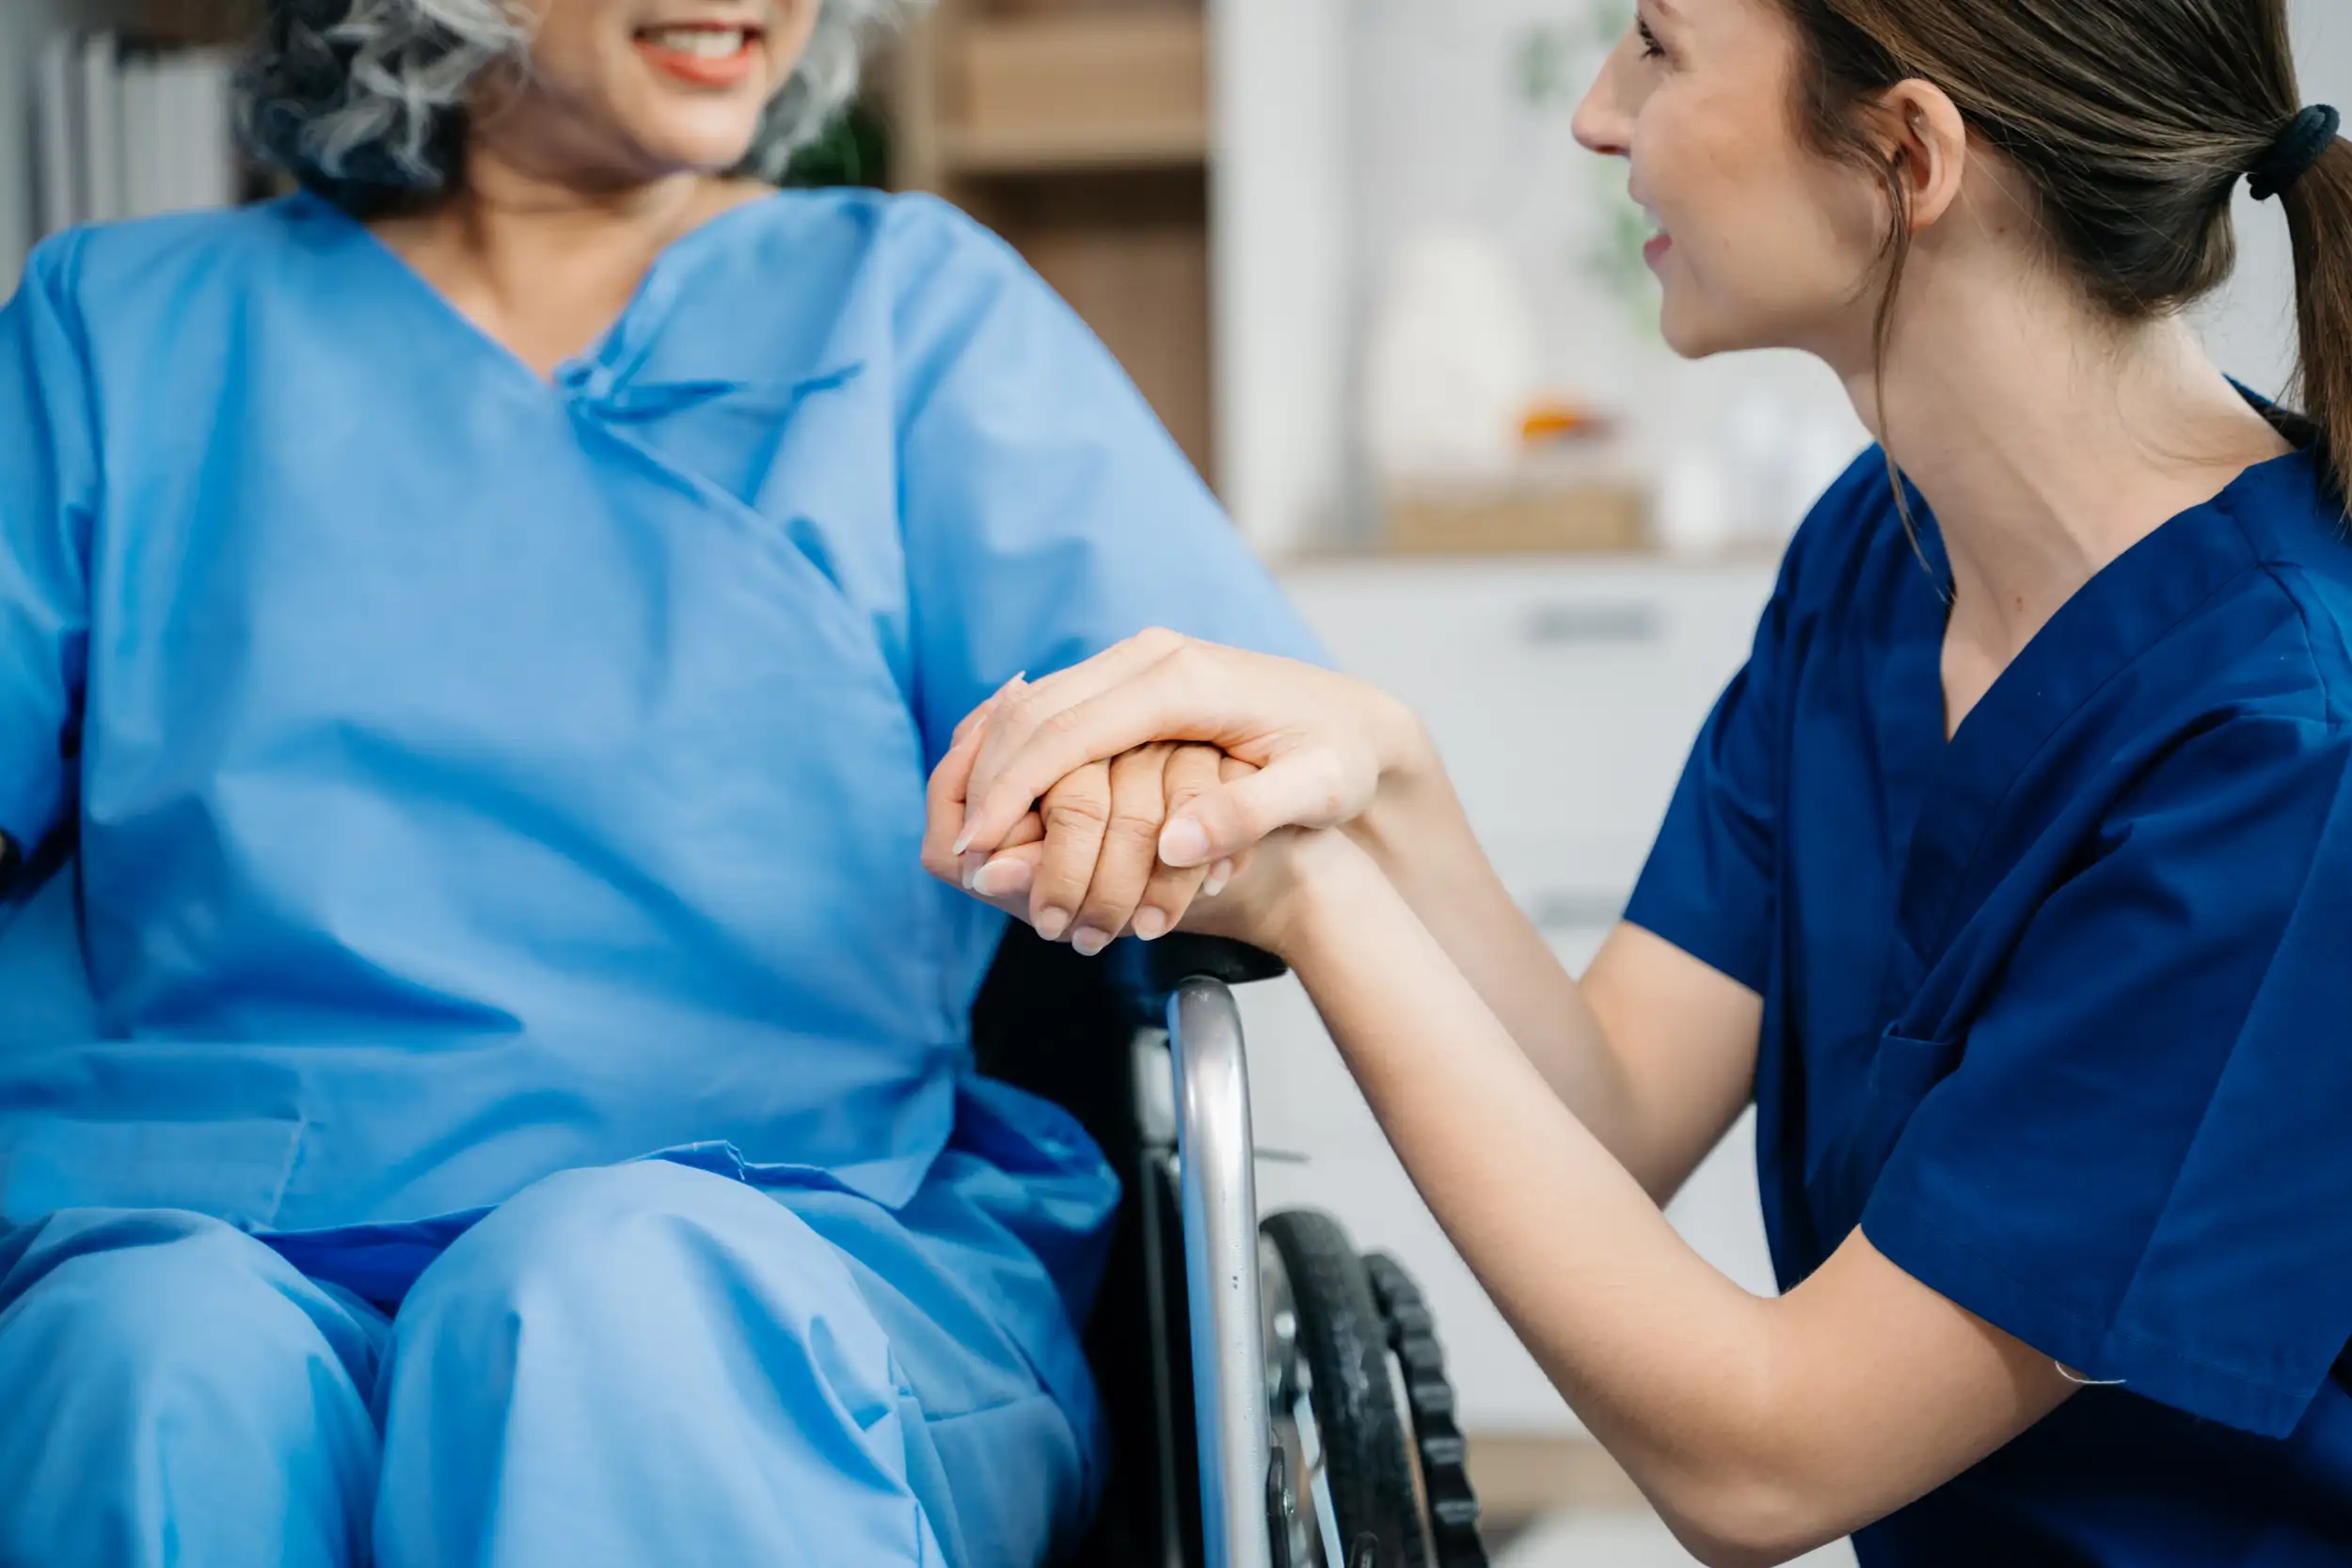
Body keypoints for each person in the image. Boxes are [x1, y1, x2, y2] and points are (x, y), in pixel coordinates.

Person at [939, 0, 2352, 1560]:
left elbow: (1766, 1460)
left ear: (1907, 155)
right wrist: (1374, 771)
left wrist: (1319, 901)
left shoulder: (2281, 752)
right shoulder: (1881, 562)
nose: (1599, 114)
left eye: (1660, 48)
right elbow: (1609, 1109)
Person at [0, 1, 1316, 1564]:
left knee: (594, 1306)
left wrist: (1141, 791)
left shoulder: (905, 308)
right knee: (142, 1362)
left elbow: (1236, 752)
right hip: (195, 1210)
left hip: (806, 1237)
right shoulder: (116, 330)